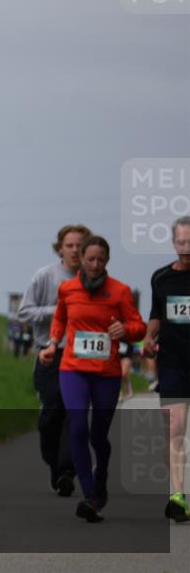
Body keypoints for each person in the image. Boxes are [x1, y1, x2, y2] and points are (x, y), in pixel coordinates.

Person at [38, 235, 146, 522]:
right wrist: (52, 344)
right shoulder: (68, 289)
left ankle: (102, 478)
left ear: (107, 260)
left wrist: (126, 330)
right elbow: (59, 319)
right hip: (72, 369)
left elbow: (139, 326)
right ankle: (90, 496)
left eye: (101, 260)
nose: (95, 265)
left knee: (98, 436)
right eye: (90, 259)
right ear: (81, 260)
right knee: (76, 428)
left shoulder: (120, 292)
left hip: (106, 375)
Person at [18, 224, 90, 498]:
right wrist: (58, 310)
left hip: (82, 354)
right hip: (49, 351)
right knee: (51, 414)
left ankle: (66, 471)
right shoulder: (45, 276)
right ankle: (55, 465)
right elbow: (24, 312)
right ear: (60, 247)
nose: (75, 251)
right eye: (69, 245)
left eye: (80, 246)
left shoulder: (93, 278)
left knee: (75, 412)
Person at [143, 215, 190, 522]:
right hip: (173, 362)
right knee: (175, 429)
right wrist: (148, 337)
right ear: (174, 243)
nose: (187, 248)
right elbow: (156, 314)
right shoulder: (160, 278)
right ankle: (178, 496)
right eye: (182, 241)